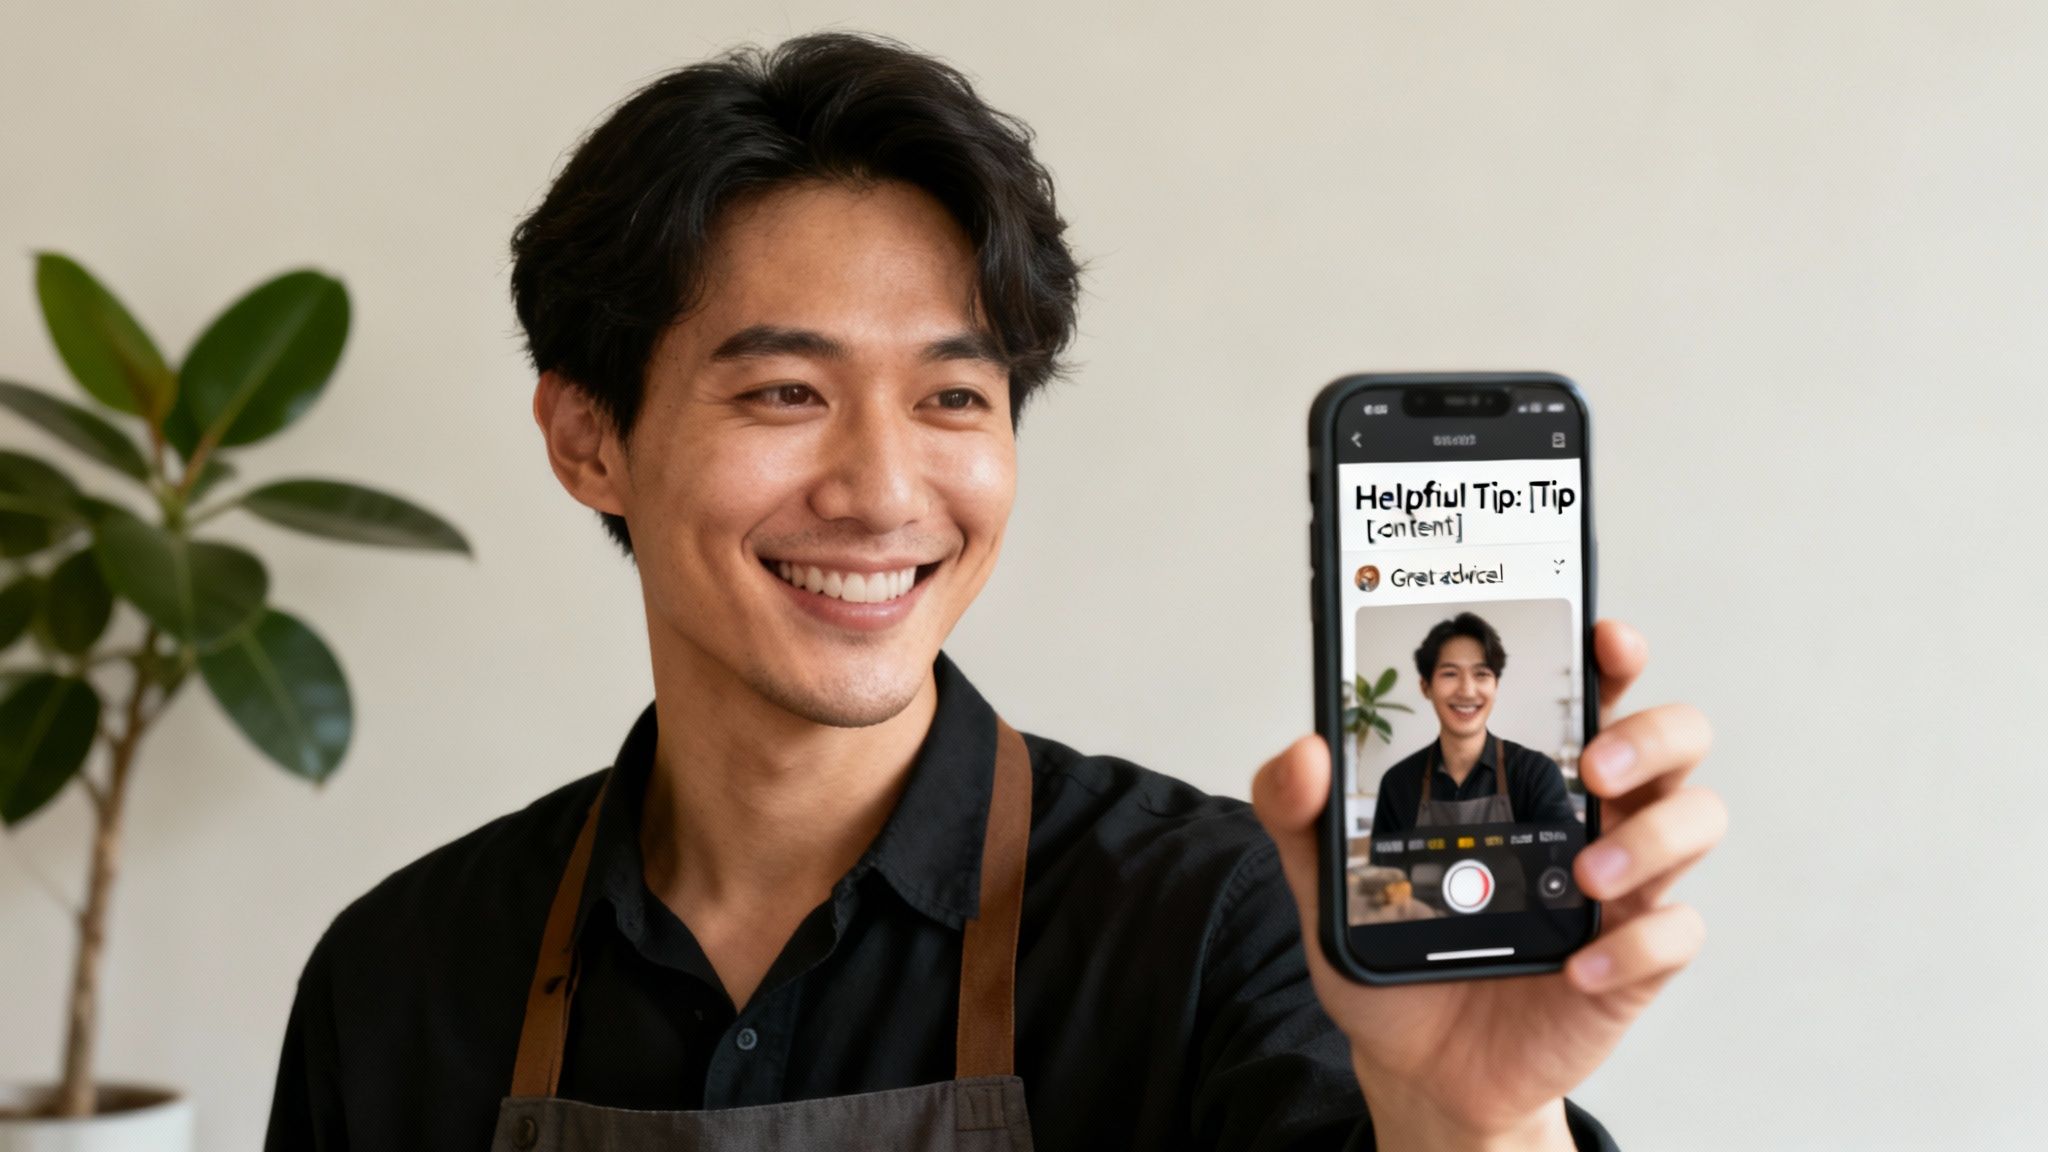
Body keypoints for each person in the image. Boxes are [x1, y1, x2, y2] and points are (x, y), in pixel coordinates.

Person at [264, 31, 1725, 1152]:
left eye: (953, 397)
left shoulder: (1218, 926)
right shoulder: (400, 978)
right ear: (590, 440)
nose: (881, 489)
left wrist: (1471, 1121)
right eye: (785, 391)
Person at [1370, 611, 1580, 838]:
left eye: (1481, 674)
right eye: (1450, 674)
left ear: (1496, 685)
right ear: (1425, 687)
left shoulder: (1535, 775)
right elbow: (1387, 861)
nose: (1467, 691)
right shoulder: (1397, 784)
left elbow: (1563, 854)